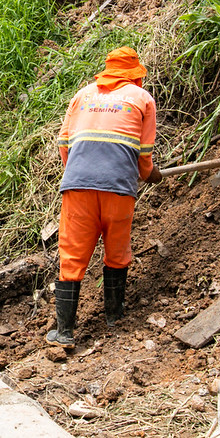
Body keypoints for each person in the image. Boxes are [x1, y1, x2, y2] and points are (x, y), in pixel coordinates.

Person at [47, 47, 162, 349]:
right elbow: (144, 158)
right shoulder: (142, 99)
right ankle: (114, 317)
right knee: (117, 250)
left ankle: (65, 332)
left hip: (78, 186)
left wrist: (80, 174)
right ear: (136, 76)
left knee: (72, 256)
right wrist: (151, 175)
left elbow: (63, 145)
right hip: (119, 190)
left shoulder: (82, 95)